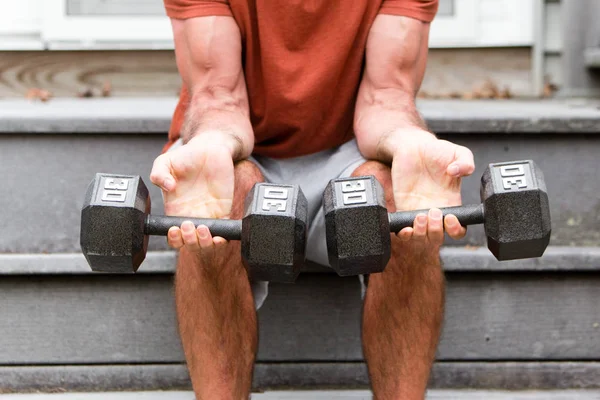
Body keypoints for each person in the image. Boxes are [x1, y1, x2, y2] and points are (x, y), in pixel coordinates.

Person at [150, 0, 475, 398]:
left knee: (404, 206)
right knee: (217, 204)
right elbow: (219, 93)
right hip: (240, 147)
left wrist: (413, 144)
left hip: (349, 151)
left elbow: (387, 93)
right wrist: (212, 146)